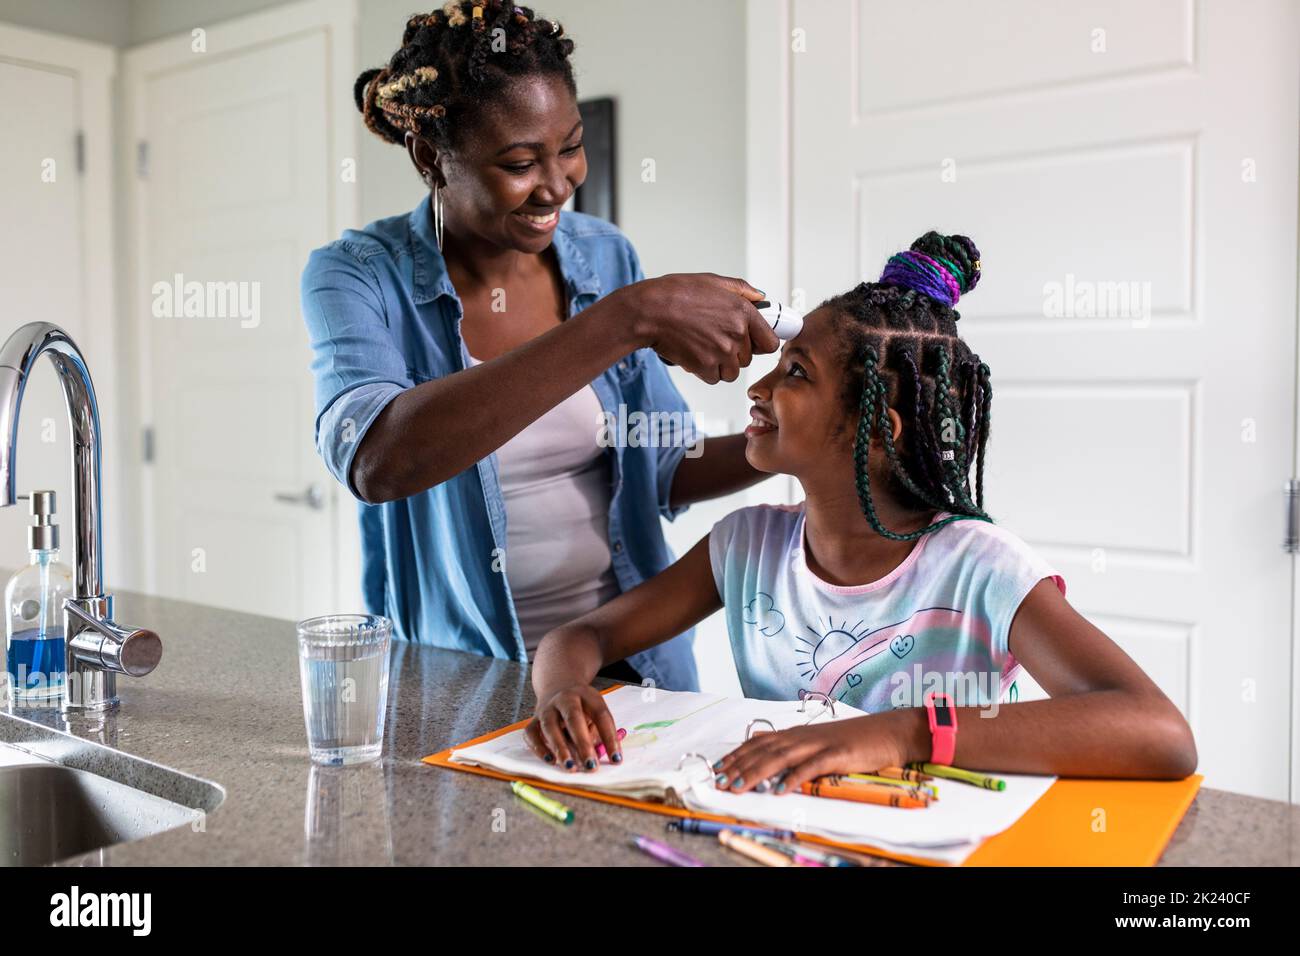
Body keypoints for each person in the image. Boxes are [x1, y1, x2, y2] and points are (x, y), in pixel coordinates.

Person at [525, 231, 1198, 788]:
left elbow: (1159, 733)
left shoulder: (978, 568)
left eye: (796, 374)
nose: (756, 388)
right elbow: (579, 639)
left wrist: (899, 732)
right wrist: (561, 690)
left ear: (879, 432)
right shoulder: (745, 546)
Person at [301, 2, 778, 691]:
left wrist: (791, 441)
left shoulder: (603, 255)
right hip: (467, 683)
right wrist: (626, 319)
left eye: (571, 147)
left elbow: (664, 466)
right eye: (521, 162)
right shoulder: (357, 275)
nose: (556, 186)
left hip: (635, 665)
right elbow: (380, 461)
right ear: (432, 157)